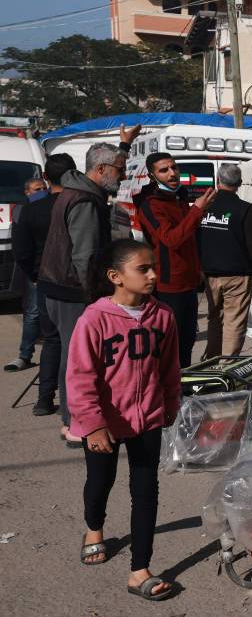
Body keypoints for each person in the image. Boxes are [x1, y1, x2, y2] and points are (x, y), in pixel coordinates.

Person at [68, 239, 180, 602]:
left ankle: (140, 570)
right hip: (104, 422)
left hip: (147, 417)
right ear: (116, 277)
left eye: (153, 268)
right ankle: (94, 528)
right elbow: (80, 376)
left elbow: (169, 368)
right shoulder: (94, 320)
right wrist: (93, 423)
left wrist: (170, 403)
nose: (152, 275)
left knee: (146, 493)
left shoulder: (162, 316)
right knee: (101, 481)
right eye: (143, 269)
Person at [38, 140, 132, 448]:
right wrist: (95, 297)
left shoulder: (78, 193)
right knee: (77, 359)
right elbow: (85, 257)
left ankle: (74, 420)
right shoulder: (85, 201)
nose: (123, 174)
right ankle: (74, 424)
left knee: (75, 355)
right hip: (71, 292)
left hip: (61, 288)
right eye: (119, 169)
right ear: (101, 169)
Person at [137, 152, 216, 368]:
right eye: (164, 170)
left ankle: (184, 389)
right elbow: (171, 240)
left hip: (188, 281)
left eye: (174, 167)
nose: (172, 173)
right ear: (152, 176)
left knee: (187, 341)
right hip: (168, 285)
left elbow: (190, 237)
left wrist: (197, 267)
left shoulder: (179, 195)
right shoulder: (150, 203)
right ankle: (172, 393)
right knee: (172, 344)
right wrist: (197, 210)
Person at [10, 154, 74, 415]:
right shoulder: (78, 203)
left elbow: (21, 252)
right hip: (70, 282)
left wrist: (34, 275)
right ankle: (69, 402)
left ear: (46, 178)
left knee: (52, 341)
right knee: (71, 343)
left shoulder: (30, 208)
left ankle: (44, 399)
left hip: (45, 280)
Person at [198, 163, 252, 358]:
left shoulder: (203, 207)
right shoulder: (244, 209)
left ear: (218, 181)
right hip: (238, 274)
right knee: (234, 321)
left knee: (215, 318)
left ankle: (211, 361)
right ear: (240, 183)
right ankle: (227, 365)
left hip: (210, 272)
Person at [4, 178, 50, 373]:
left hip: (54, 268)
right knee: (32, 313)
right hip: (35, 270)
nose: (41, 192)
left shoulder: (51, 207)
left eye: (43, 189)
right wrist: (31, 273)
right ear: (27, 192)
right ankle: (25, 355)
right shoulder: (22, 211)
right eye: (36, 190)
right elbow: (20, 247)